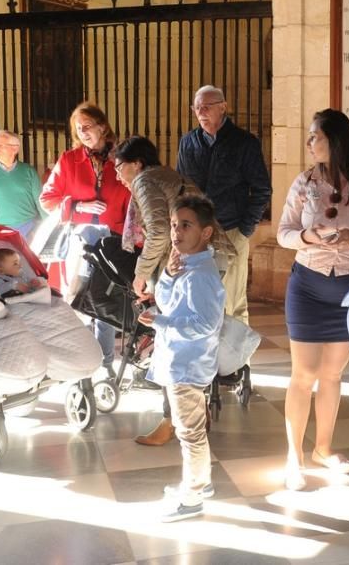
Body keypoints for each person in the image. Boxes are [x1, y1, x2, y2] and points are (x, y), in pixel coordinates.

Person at [276, 109, 349, 491]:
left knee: (332, 374)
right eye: (310, 137)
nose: (310, 143)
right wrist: (309, 236)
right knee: (303, 374)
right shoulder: (304, 182)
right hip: (307, 285)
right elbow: (283, 233)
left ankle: (322, 449)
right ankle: (293, 457)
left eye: (316, 136)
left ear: (336, 139)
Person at [113, 135, 230, 447]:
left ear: (136, 164)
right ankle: (193, 411)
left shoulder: (144, 180)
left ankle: (172, 420)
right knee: (196, 342)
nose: (117, 174)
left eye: (120, 167)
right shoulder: (167, 174)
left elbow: (161, 229)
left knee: (172, 344)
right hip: (204, 258)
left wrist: (141, 274)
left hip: (182, 263)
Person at [137, 196, 225, 522]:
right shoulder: (186, 263)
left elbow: (204, 324)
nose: (176, 232)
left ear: (206, 232)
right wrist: (169, 276)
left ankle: (192, 498)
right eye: (174, 224)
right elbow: (165, 299)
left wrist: (161, 322)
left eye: (185, 225)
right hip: (179, 359)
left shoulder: (202, 274)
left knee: (190, 432)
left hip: (188, 364)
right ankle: (202, 484)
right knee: (190, 428)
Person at [39, 102, 131, 375]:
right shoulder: (69, 160)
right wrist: (78, 206)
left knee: (104, 302)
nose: (82, 132)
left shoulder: (121, 158)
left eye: (87, 126)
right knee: (78, 299)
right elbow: (47, 199)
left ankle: (103, 364)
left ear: (102, 126)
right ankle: (79, 363)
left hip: (112, 241)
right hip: (79, 240)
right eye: (78, 129)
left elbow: (132, 198)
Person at [177, 85, 271, 325]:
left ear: (223, 107)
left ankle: (239, 361)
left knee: (233, 301)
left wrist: (245, 228)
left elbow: (262, 189)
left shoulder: (244, 142)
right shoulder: (188, 142)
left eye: (207, 106)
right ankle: (207, 357)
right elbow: (180, 186)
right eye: (197, 107)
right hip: (196, 233)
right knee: (197, 296)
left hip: (231, 229)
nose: (202, 111)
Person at [0, 130, 48, 240]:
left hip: (28, 229)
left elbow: (41, 201)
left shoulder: (28, 171)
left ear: (15, 148)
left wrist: (47, 227)